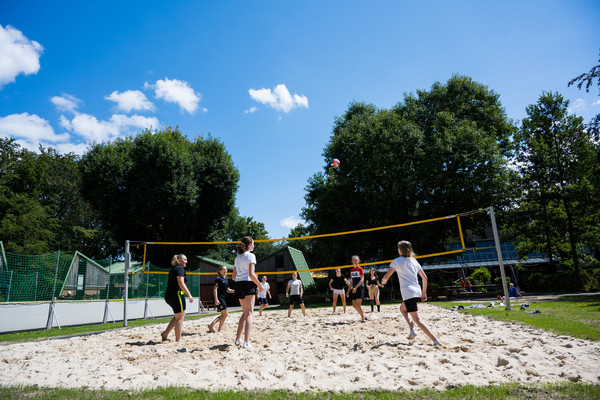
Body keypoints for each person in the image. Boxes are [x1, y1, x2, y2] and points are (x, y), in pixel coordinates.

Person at [381, 241, 441, 346]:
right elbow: (424, 277)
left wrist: (383, 281)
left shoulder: (397, 261)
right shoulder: (414, 261)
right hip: (416, 291)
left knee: (417, 319)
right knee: (402, 308)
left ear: (400, 250)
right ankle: (412, 330)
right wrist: (424, 293)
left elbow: (387, 276)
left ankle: (435, 340)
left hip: (408, 292)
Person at [232, 236, 264, 349]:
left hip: (238, 285)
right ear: (249, 245)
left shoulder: (237, 257)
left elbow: (233, 277)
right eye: (253, 243)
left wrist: (247, 276)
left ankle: (237, 339)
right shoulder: (251, 256)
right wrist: (259, 285)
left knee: (244, 313)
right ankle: (246, 342)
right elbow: (251, 274)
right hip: (247, 284)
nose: (254, 245)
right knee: (250, 313)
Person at [161, 254, 194, 342]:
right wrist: (189, 295)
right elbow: (181, 283)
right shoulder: (179, 268)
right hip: (176, 295)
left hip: (169, 295)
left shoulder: (173, 269)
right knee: (180, 317)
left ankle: (165, 333)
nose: (186, 261)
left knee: (177, 316)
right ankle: (178, 340)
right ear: (179, 260)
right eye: (185, 259)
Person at [207, 265, 235, 333]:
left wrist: (236, 291)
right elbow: (215, 289)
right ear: (220, 271)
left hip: (223, 298)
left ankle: (218, 329)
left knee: (224, 314)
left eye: (226, 269)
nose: (225, 271)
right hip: (219, 298)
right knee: (225, 314)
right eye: (223, 269)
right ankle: (212, 325)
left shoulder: (226, 279)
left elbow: (228, 290)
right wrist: (216, 299)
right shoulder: (218, 279)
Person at [348, 255, 366, 322]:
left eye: (356, 260)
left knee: (358, 304)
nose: (355, 261)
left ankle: (363, 318)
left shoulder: (360, 269)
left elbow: (362, 280)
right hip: (354, 288)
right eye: (353, 260)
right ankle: (363, 315)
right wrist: (348, 290)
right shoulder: (352, 270)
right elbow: (352, 281)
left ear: (358, 261)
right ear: (352, 261)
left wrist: (356, 287)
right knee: (354, 305)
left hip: (360, 287)